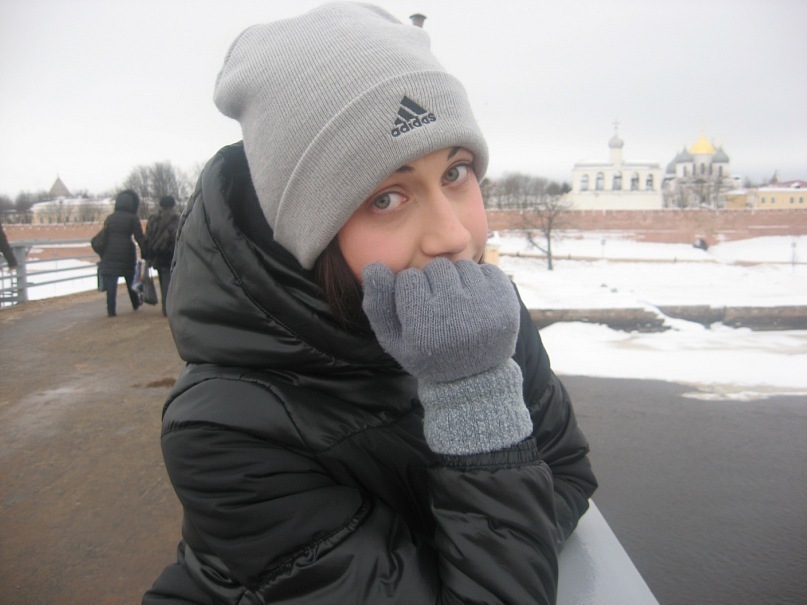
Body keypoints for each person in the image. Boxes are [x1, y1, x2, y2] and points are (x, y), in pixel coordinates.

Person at [143, 4, 596, 604]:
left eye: (456, 172)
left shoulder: (477, 314)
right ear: (308, 230)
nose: (453, 236)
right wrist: (474, 403)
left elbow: (568, 471)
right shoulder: (225, 429)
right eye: (387, 198)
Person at [98, 189, 145, 317]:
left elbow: (105, 235)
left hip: (109, 252)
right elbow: (139, 237)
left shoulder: (110, 218)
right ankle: (135, 304)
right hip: (127, 253)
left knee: (111, 283)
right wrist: (146, 250)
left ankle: (111, 310)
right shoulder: (133, 218)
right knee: (130, 280)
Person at [144, 195, 180, 315]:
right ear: (173, 204)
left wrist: (148, 253)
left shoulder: (153, 219)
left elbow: (147, 237)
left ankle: (166, 305)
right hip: (172, 253)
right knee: (170, 279)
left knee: (162, 277)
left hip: (157, 253)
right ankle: (169, 307)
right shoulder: (177, 218)